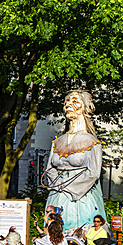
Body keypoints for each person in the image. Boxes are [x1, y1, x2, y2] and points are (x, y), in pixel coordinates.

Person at [42, 90, 107, 230]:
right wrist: (58, 186)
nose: (68, 105)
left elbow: (94, 173)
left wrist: (69, 189)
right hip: (57, 193)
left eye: (75, 101)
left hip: (80, 195)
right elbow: (49, 169)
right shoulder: (57, 142)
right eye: (67, 102)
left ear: (85, 107)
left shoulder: (92, 142)